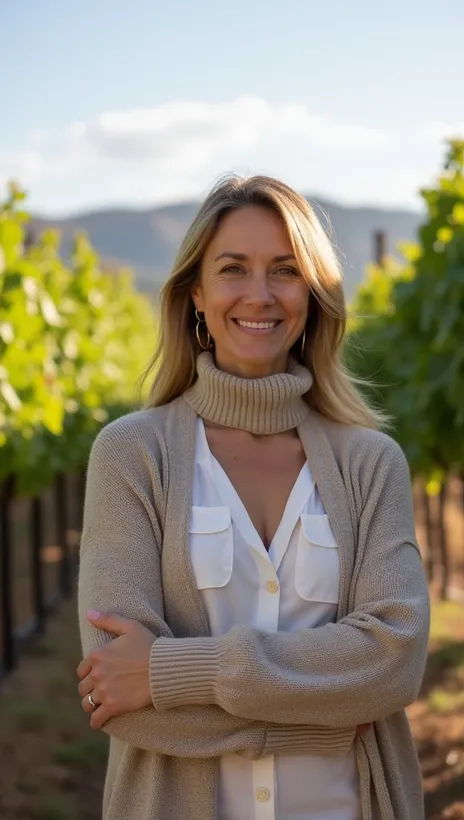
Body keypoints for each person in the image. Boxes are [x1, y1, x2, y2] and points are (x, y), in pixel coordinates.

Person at [76, 174, 430, 820]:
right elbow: (117, 694)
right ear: (196, 295)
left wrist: (172, 673)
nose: (260, 296)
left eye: (285, 271)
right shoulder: (132, 455)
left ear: (313, 295)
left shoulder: (371, 463)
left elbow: (393, 662)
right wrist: (320, 721)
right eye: (233, 269)